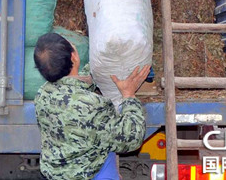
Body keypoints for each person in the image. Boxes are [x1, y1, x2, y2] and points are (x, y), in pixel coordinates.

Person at [33, 32, 151, 179]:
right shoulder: (92, 106)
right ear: (73, 57)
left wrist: (98, 68)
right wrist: (128, 95)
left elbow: (73, 86)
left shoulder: (43, 95)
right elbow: (131, 139)